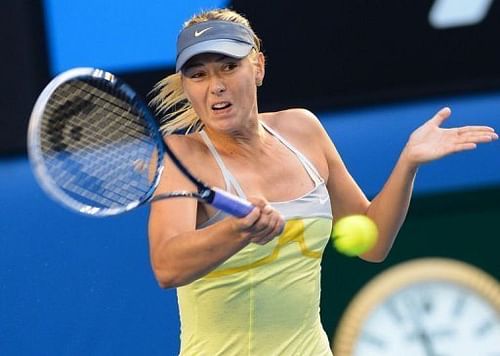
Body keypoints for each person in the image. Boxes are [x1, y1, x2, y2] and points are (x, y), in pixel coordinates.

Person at [147, 8, 498, 355]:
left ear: (258, 67)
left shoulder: (303, 130)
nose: (216, 86)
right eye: (198, 75)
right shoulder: (181, 157)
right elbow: (167, 266)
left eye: (229, 66)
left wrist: (408, 162)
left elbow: (371, 242)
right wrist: (238, 231)